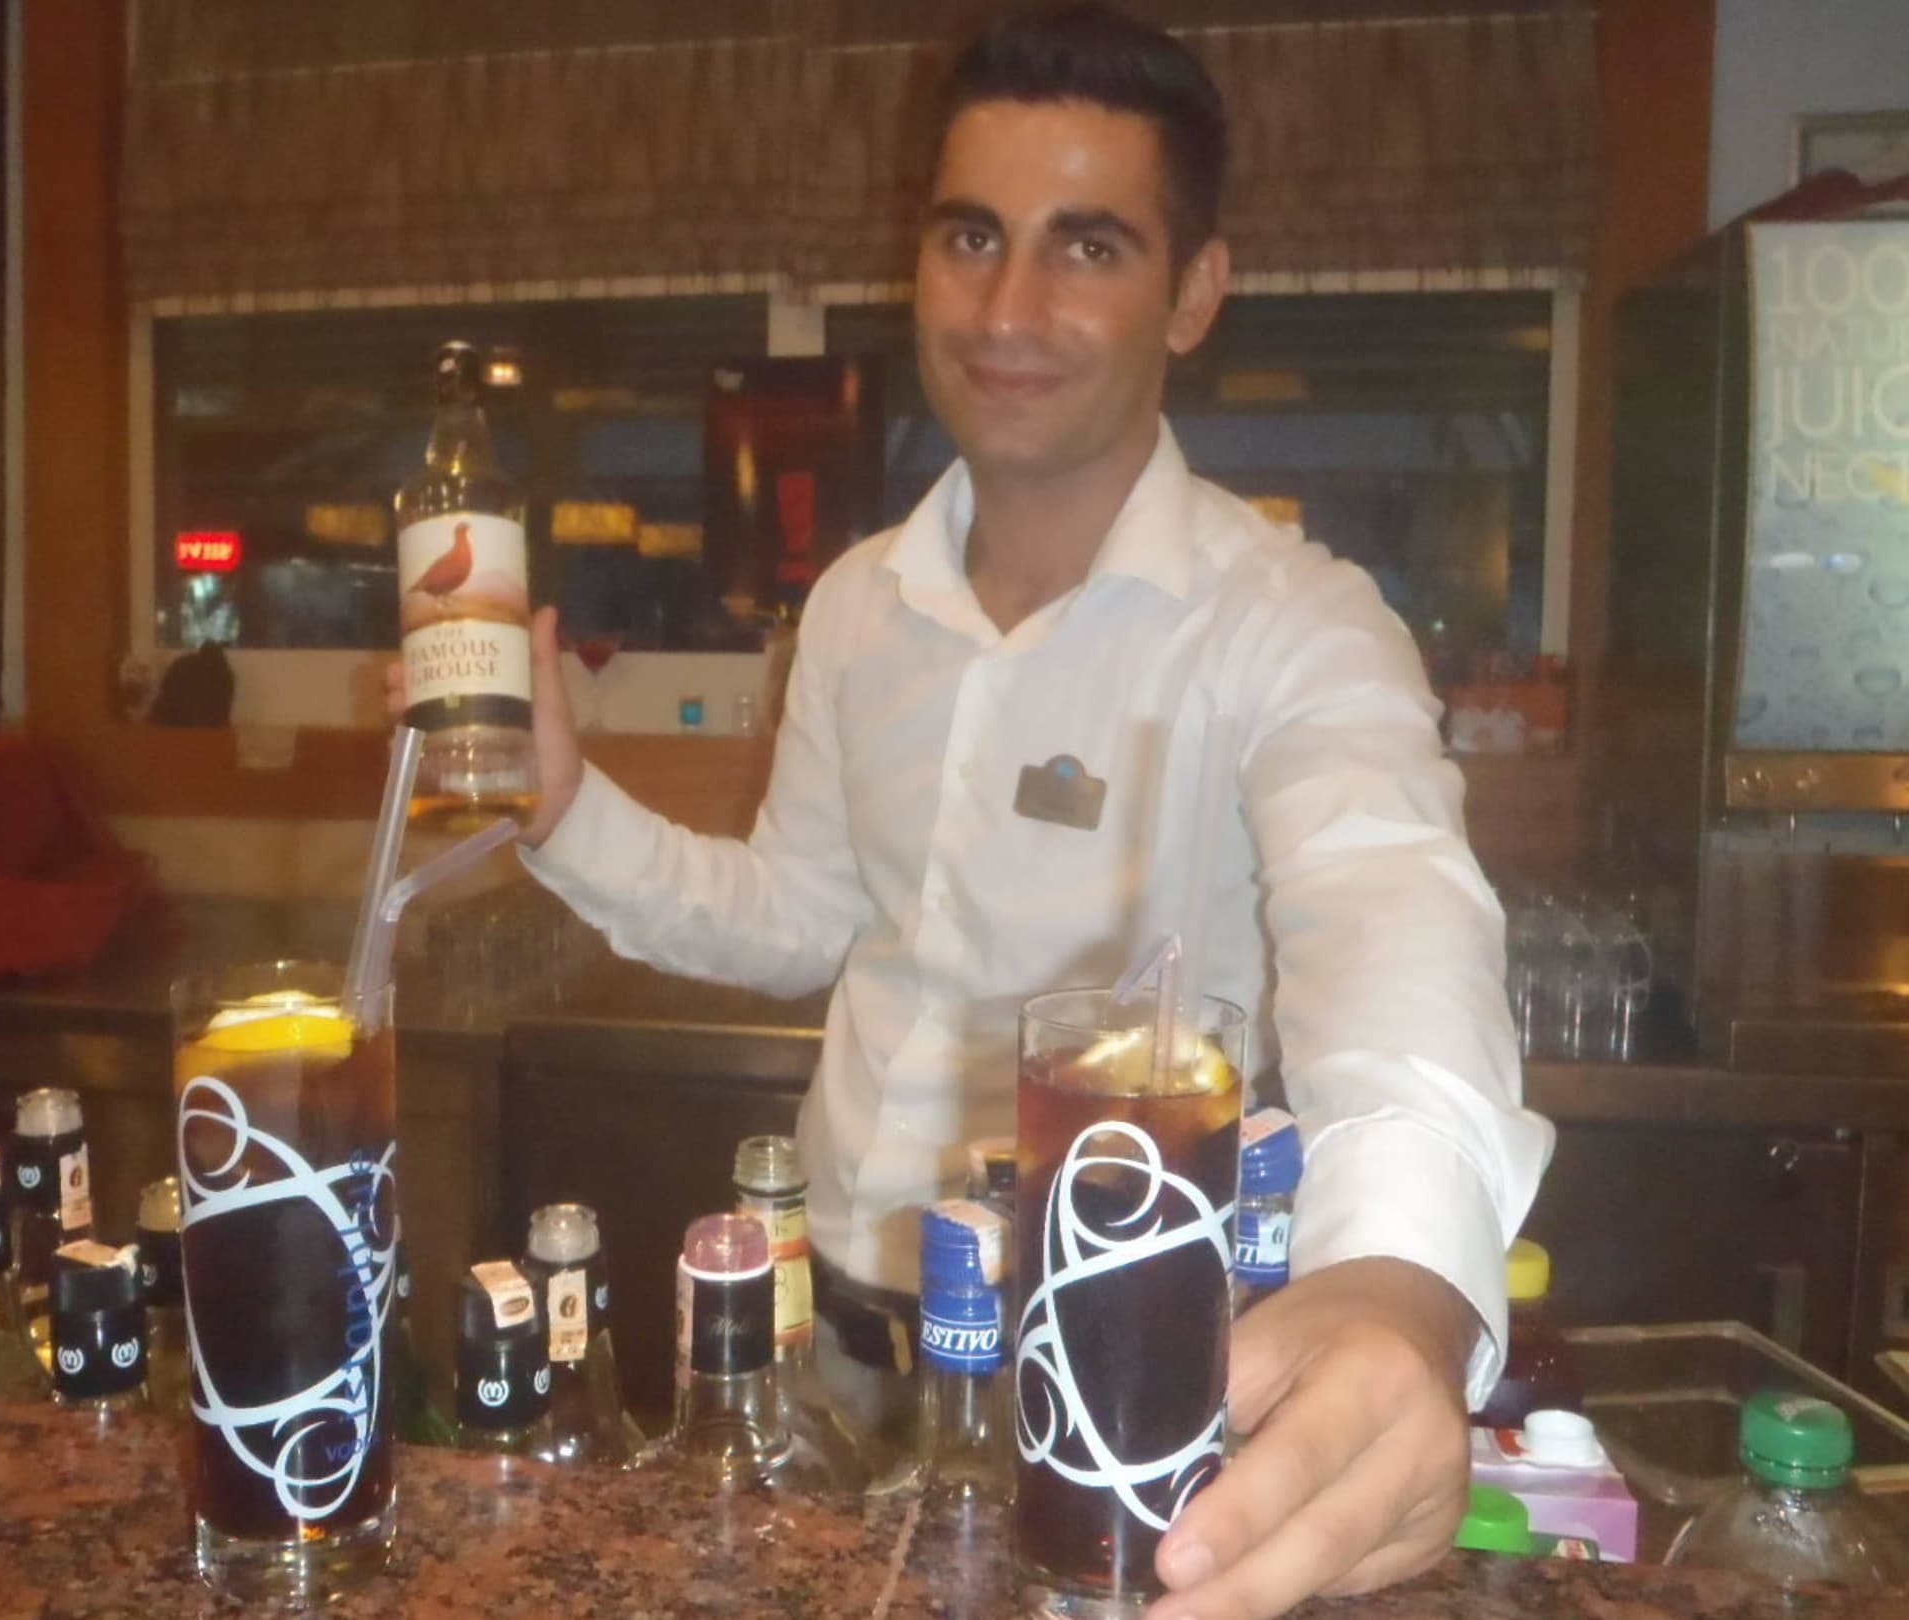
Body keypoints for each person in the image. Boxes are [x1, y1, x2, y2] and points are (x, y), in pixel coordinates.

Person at [395, 7, 1550, 1614]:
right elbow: (798, 916)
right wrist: (567, 810)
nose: (1009, 308)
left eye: (1088, 245)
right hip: (829, 1358)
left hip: (1109, 1387)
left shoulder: (1291, 621)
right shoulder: (857, 606)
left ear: (1194, 291)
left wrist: (1404, 1283)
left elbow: (1392, 907)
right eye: (972, 237)